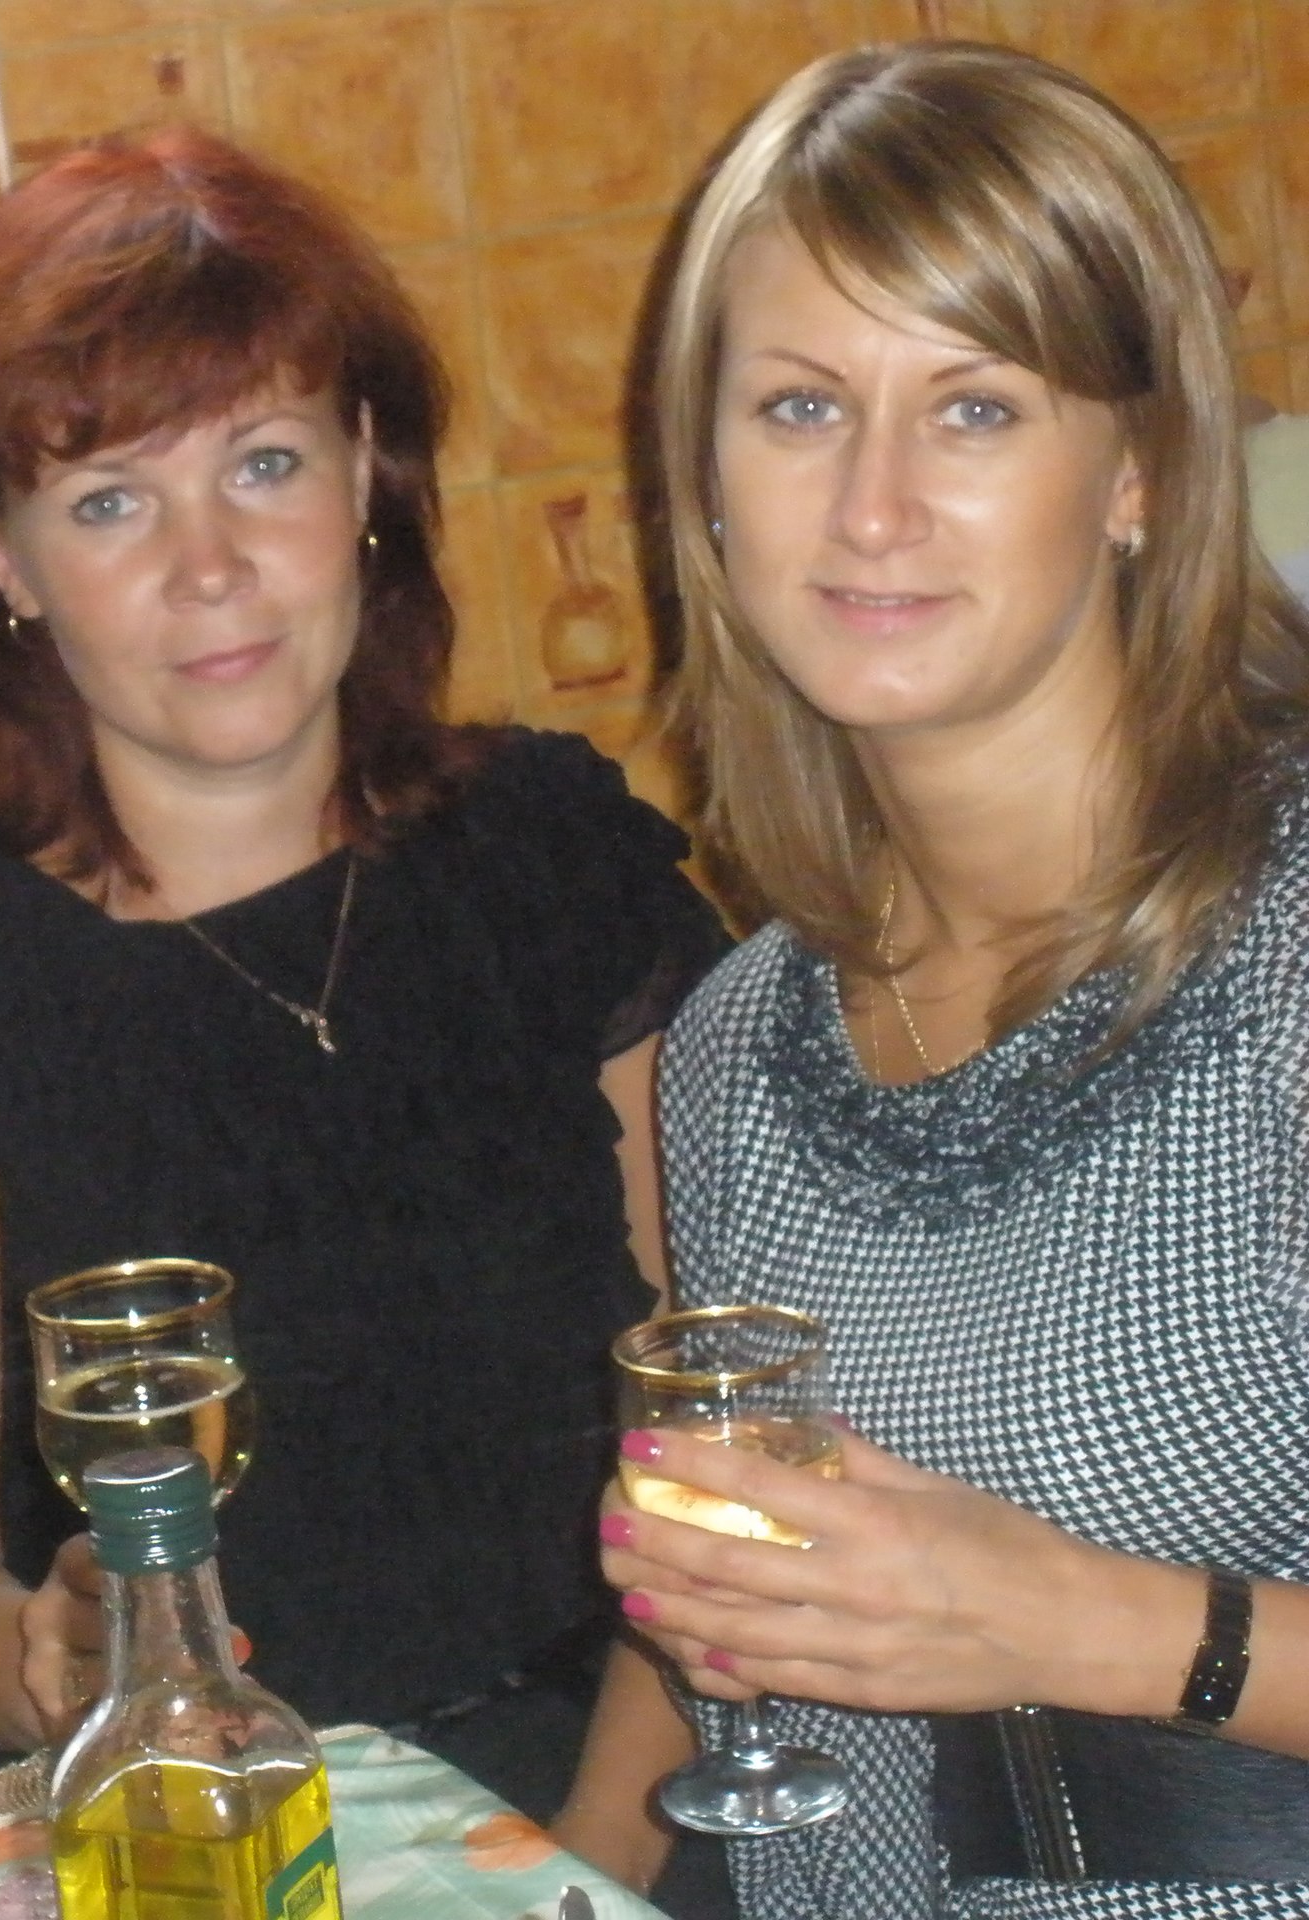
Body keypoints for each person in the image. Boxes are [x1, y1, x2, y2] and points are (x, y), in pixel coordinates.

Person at [0, 125, 729, 1886]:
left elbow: (714, 1407)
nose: (208, 566)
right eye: (110, 502)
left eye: (263, 464)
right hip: (208, 1833)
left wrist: (589, 1858)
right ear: (0, 557)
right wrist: (39, 1659)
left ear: (367, 474)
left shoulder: (556, 855)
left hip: (640, 1768)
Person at [589, 39, 1309, 1918]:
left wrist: (1091, 1626)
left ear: (1140, 469)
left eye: (974, 409)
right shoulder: (738, 1047)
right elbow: (725, 1656)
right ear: (707, 477)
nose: (873, 506)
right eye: (800, 407)